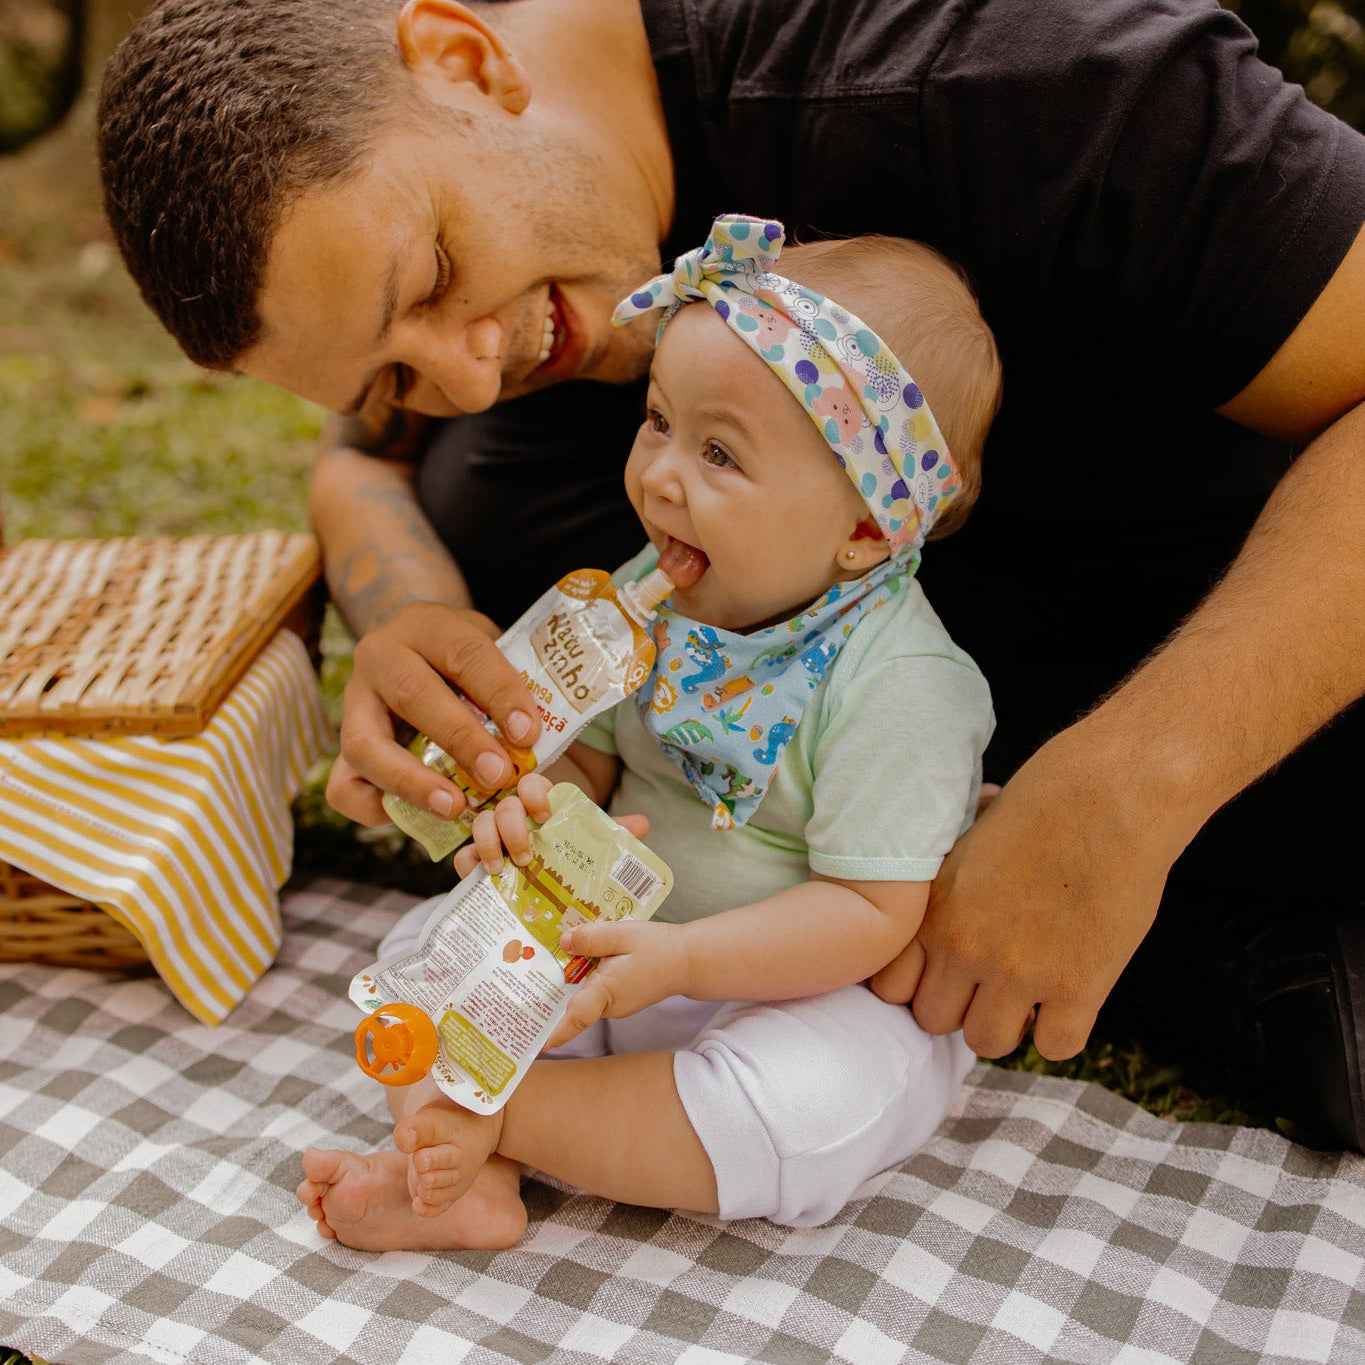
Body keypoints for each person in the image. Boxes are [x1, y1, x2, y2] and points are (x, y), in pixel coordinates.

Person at [97, 0, 1365, 1144]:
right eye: (393, 371)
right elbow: (360, 464)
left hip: (1274, 745)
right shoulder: (508, 337)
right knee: (472, 489)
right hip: (786, 868)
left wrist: (1134, 785)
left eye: (432, 278)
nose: (469, 378)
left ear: (467, 62)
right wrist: (414, 613)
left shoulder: (1016, 80)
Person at [295, 217, 1000, 1247]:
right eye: (660, 420)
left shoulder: (902, 686)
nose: (661, 474)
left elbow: (868, 912)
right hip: (615, 955)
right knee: (431, 950)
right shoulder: (644, 600)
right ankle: (474, 1176)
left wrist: (684, 962)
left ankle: (498, 1121)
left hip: (797, 991)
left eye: (719, 453)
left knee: (806, 1101)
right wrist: (534, 811)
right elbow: (594, 758)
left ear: (861, 529)